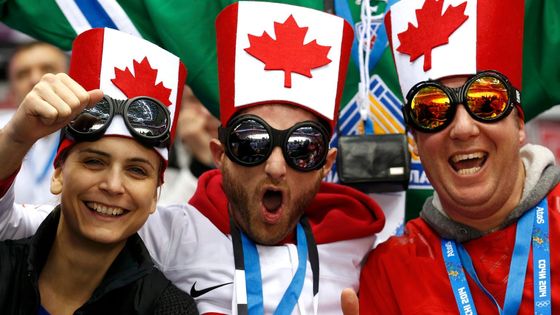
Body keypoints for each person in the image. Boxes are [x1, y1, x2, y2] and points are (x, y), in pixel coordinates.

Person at [0, 3, 385, 314]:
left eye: (304, 148)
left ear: (327, 164)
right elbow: (13, 229)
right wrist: (17, 137)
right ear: (219, 155)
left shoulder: (364, 250)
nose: (275, 166)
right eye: (250, 143)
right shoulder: (165, 232)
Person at [354, 0, 560, 314]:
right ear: (416, 141)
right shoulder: (391, 273)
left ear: (519, 124)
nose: (462, 129)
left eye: (486, 101)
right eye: (433, 110)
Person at [0, 28, 197, 314]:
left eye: (137, 171)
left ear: (156, 195)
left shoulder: (168, 310)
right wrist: (17, 137)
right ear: (58, 175)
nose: (113, 185)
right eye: (94, 162)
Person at [2, 41, 69, 205]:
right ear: (12, 89)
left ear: (71, 77)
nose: (35, 79)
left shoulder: (93, 130)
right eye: (22, 74)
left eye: (47, 69)